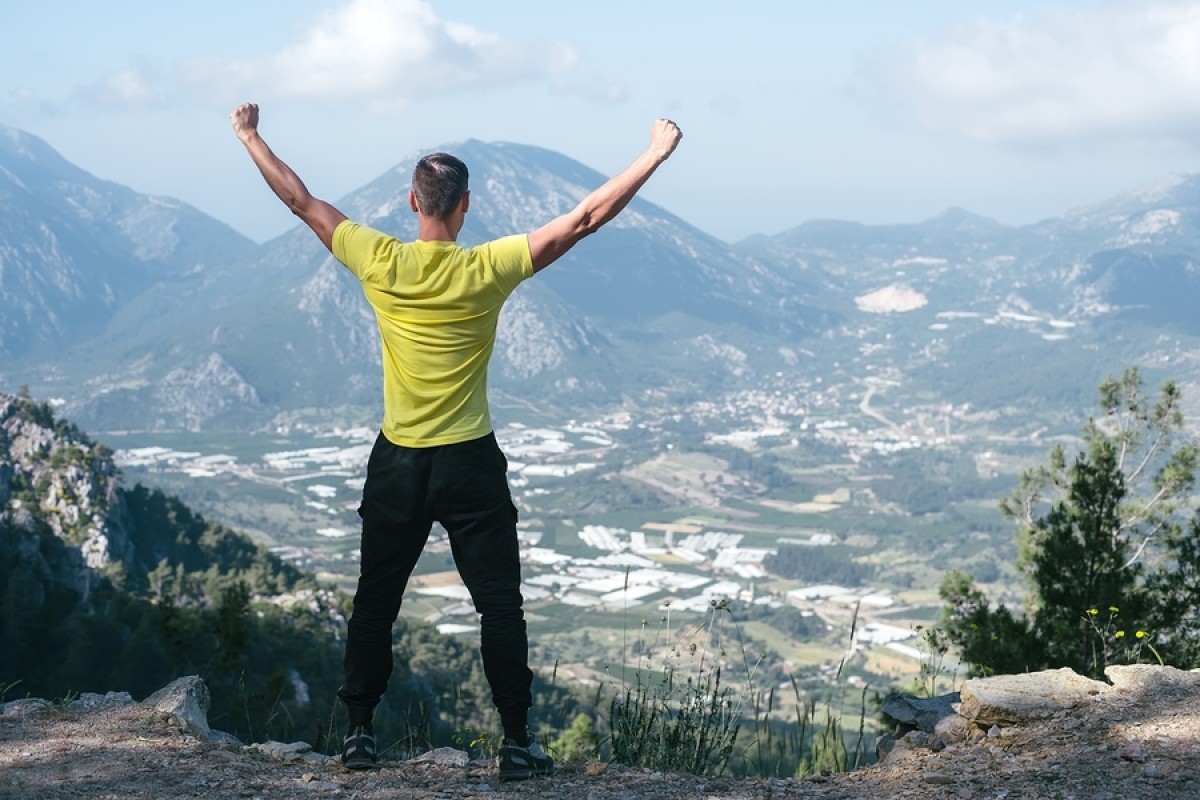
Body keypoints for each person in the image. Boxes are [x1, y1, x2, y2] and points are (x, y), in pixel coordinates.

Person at [230, 102, 682, 779]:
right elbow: (585, 218)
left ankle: (358, 736)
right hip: (471, 460)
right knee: (498, 604)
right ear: (465, 205)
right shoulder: (489, 268)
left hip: (398, 461)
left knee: (376, 599)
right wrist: (653, 153)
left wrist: (249, 135)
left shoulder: (377, 258)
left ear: (412, 200)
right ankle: (518, 743)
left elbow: (299, 199)